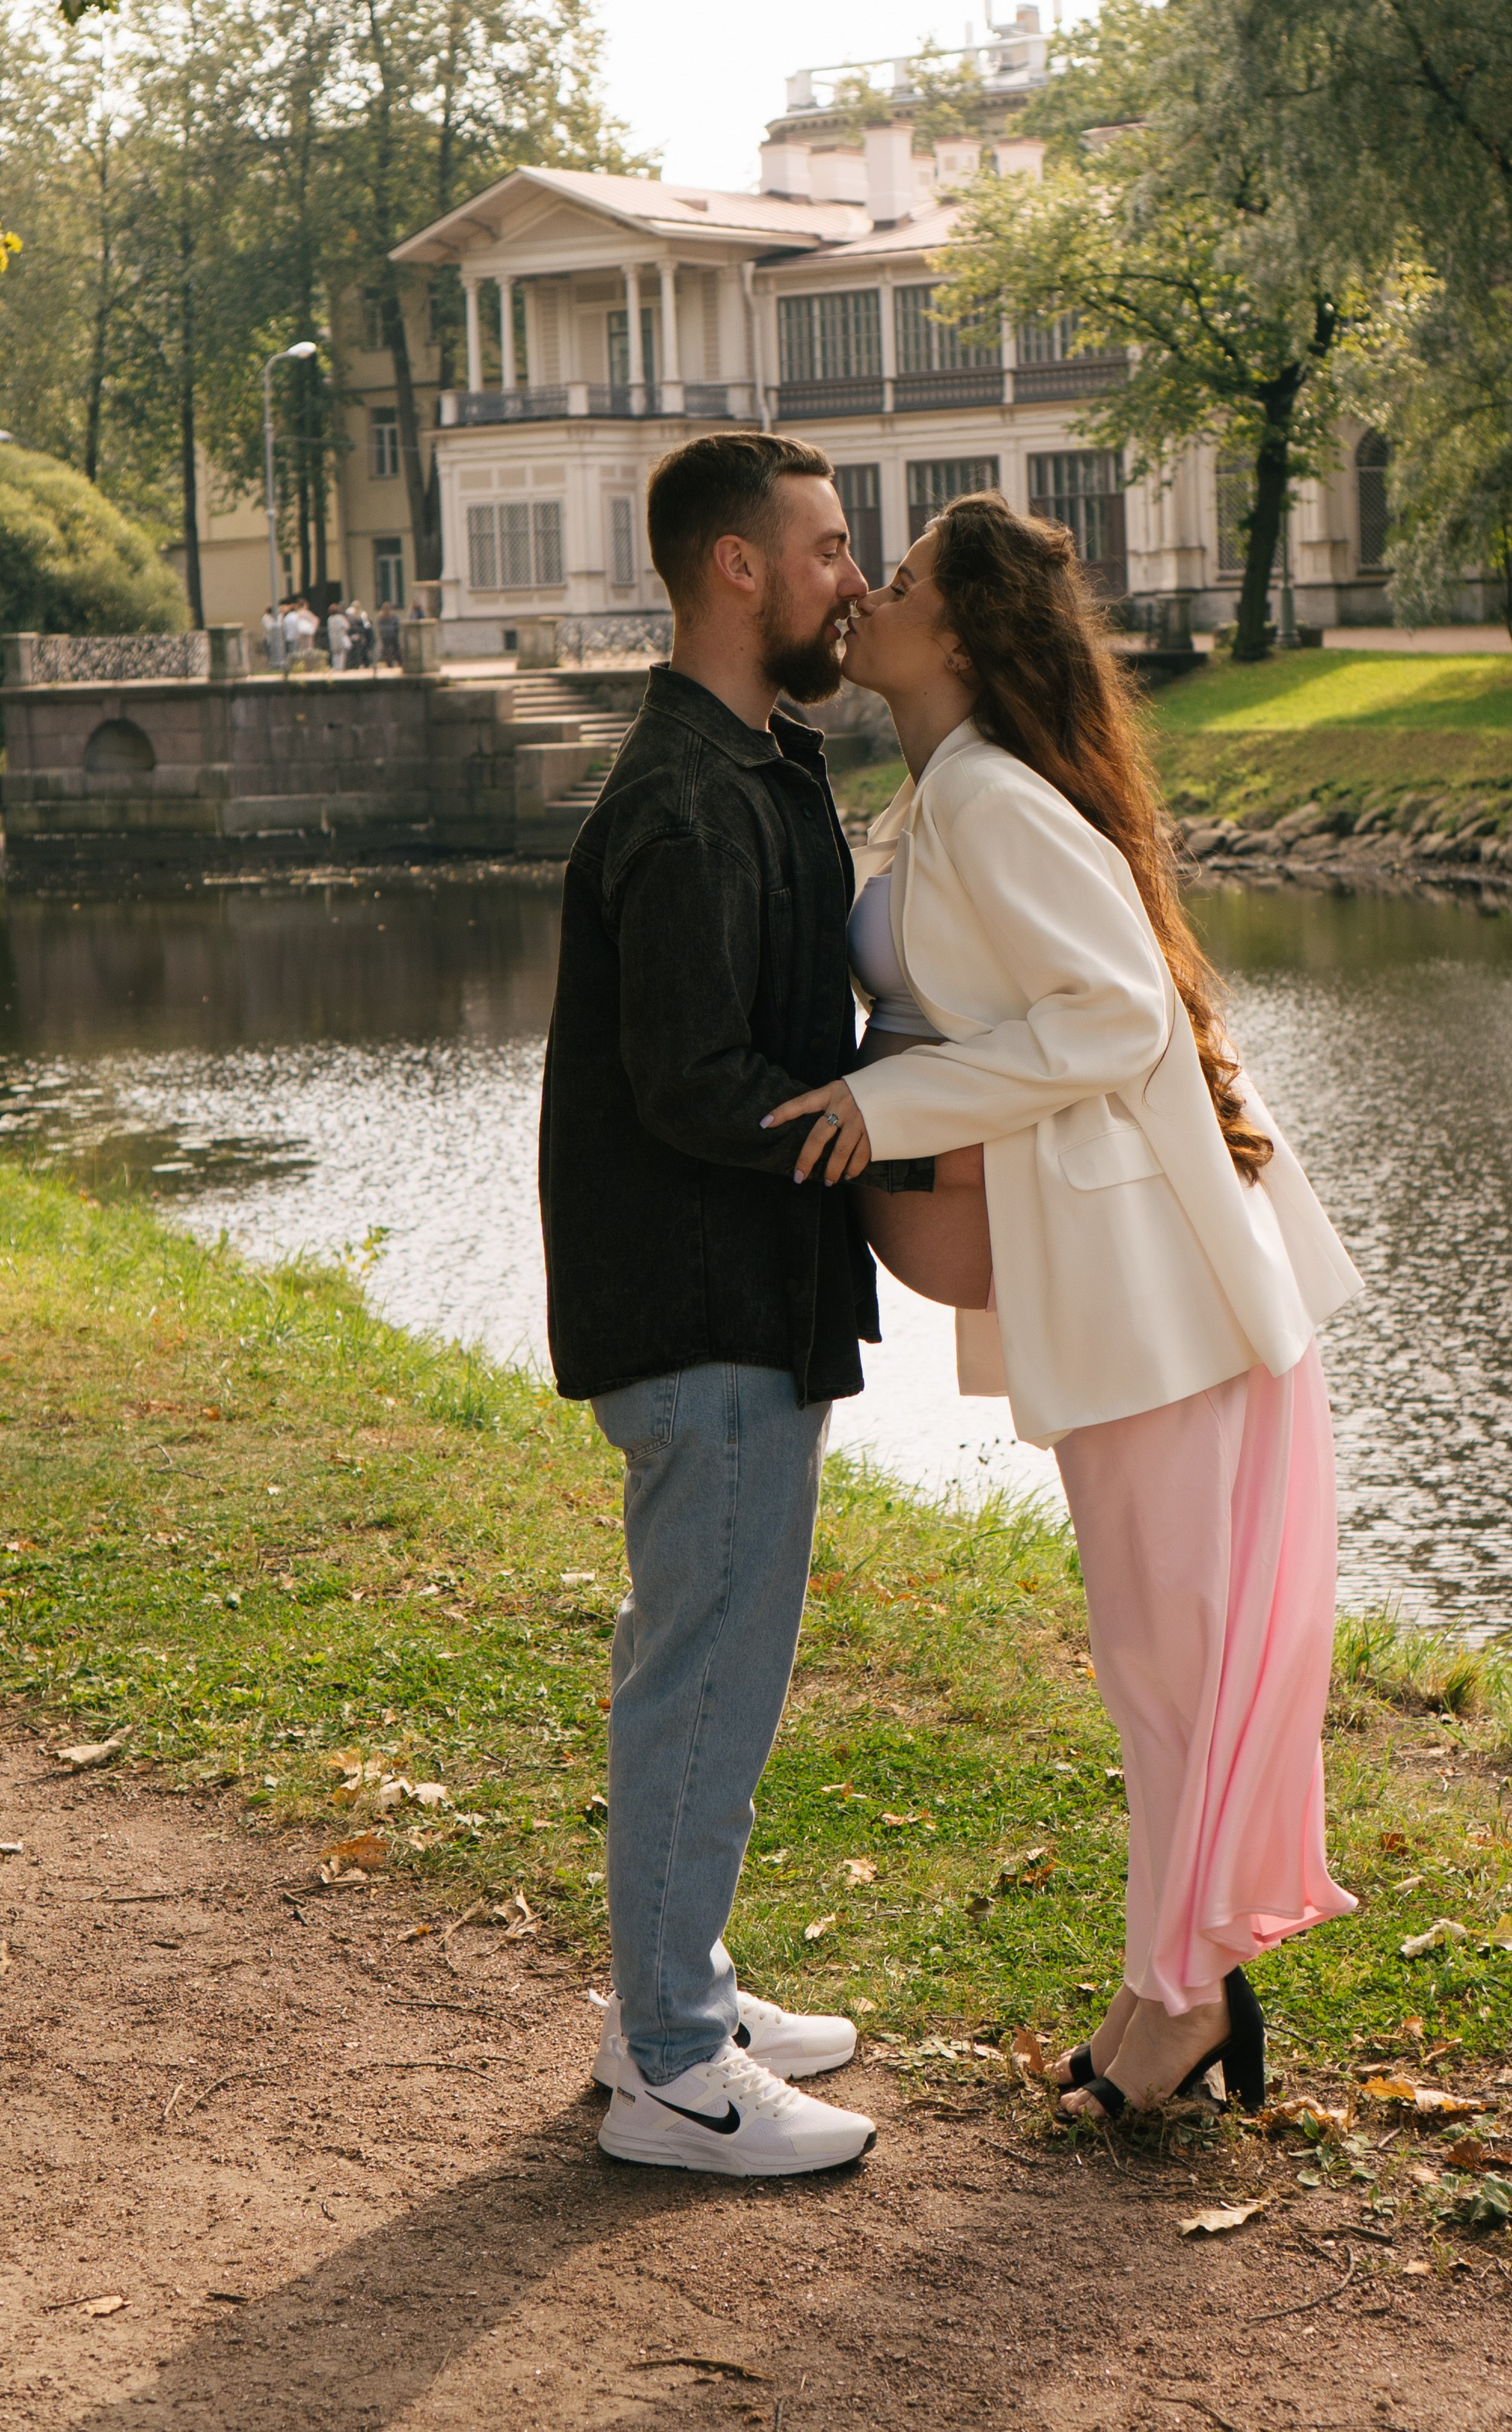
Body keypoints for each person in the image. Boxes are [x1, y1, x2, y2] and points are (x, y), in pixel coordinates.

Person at [767, 494, 1363, 2121]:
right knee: (1155, 1663)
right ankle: (1170, 1985)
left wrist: (886, 1110)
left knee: (1166, 1663)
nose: (864, 596)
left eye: (891, 582)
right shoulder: (949, 791)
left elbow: (1108, 1019)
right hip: (1122, 1291)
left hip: (1155, 1293)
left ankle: (1174, 2003)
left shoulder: (986, 802)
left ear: (953, 637)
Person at [539, 429, 935, 2182]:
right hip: (699, 1311)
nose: (856, 577)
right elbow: (698, 1083)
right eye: (833, 547)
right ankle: (676, 2073)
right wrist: (893, 1112)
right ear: (737, 570)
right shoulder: (691, 800)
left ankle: (667, 1992)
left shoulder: (756, 764)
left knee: (714, 1660)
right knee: (700, 1672)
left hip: (747, 1296)